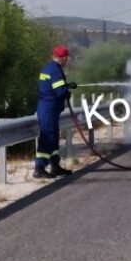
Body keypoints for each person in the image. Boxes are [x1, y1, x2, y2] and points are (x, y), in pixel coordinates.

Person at [34, 45, 78, 179]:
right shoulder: (56, 71)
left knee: (53, 138)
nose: (67, 61)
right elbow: (60, 92)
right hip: (49, 108)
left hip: (47, 107)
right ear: (64, 58)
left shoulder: (49, 68)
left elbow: (53, 86)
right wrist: (67, 91)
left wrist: (66, 86)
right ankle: (39, 168)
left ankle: (55, 166)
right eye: (67, 58)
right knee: (47, 137)